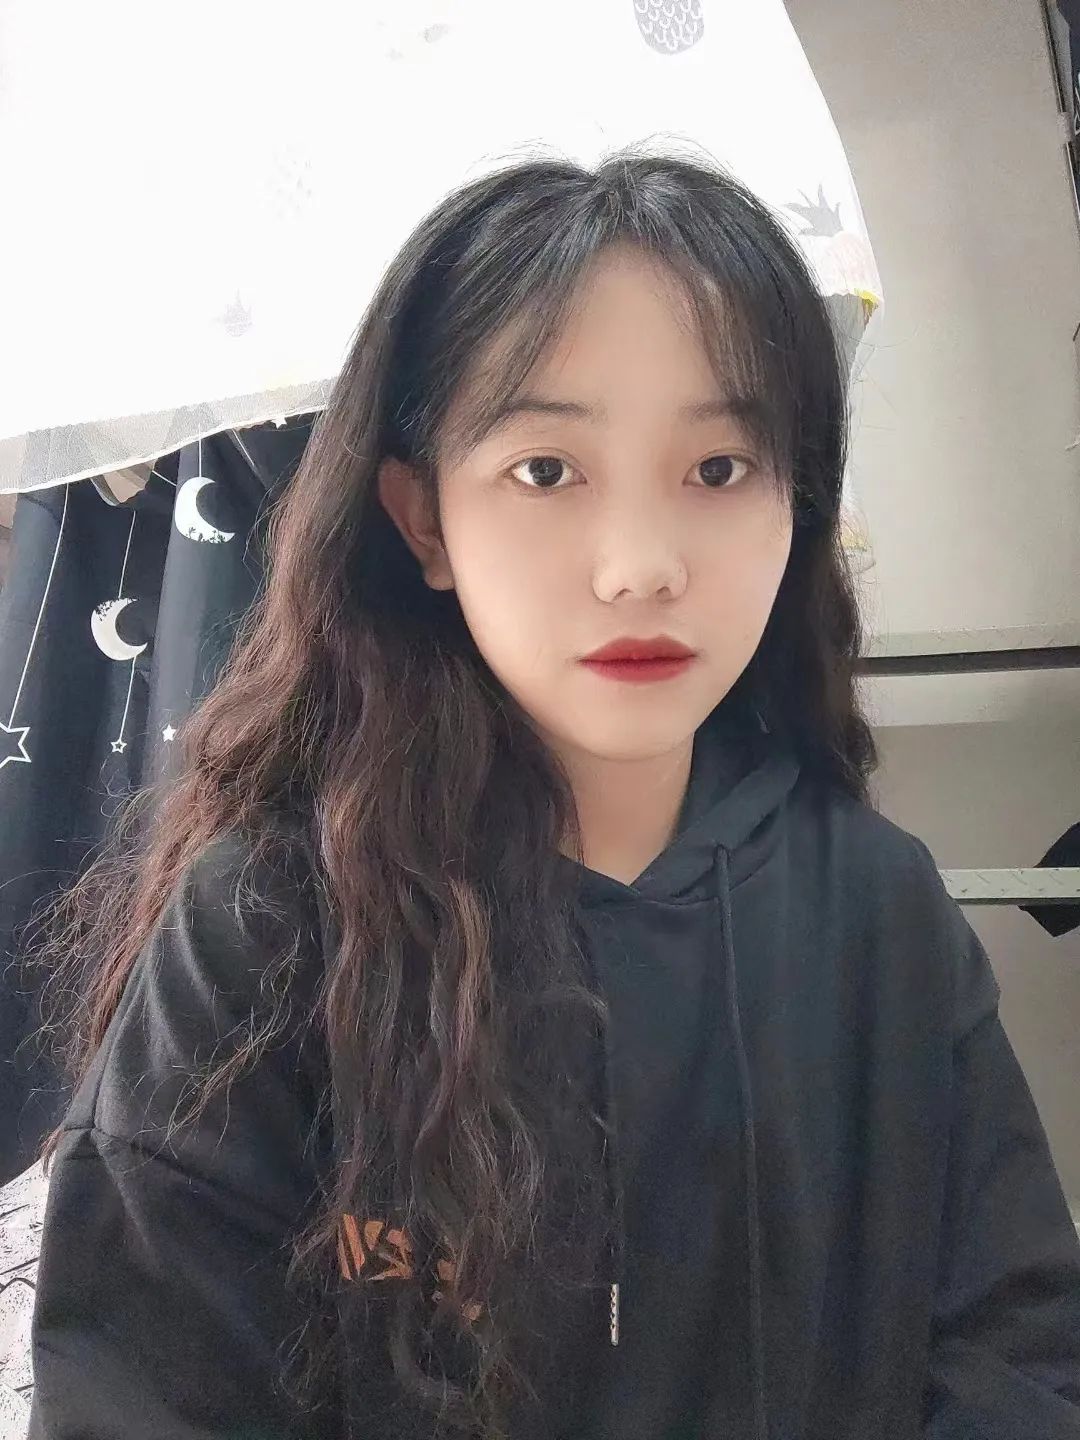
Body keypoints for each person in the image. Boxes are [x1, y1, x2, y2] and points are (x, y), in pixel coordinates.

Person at [26, 148, 1080, 1440]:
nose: (639, 567)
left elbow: (1019, 1351)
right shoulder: (269, 925)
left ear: (796, 502)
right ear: (422, 519)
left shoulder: (876, 906)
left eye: (718, 469)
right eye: (546, 471)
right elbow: (142, 1396)